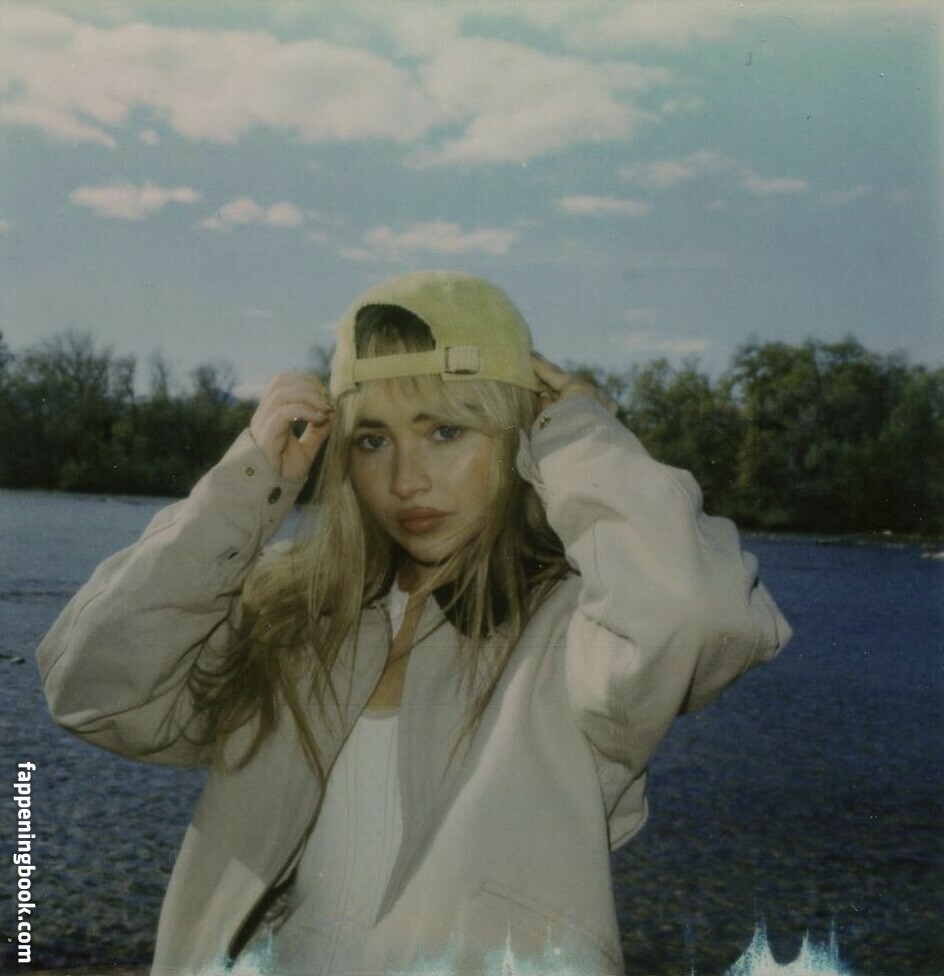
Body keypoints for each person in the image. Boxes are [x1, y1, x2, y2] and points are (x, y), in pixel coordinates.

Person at [38, 270, 791, 976]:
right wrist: (246, 487)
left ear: (518, 434)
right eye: (373, 441)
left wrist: (577, 434)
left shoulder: (578, 635)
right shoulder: (296, 616)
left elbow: (697, 614)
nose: (405, 480)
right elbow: (92, 688)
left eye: (445, 432)